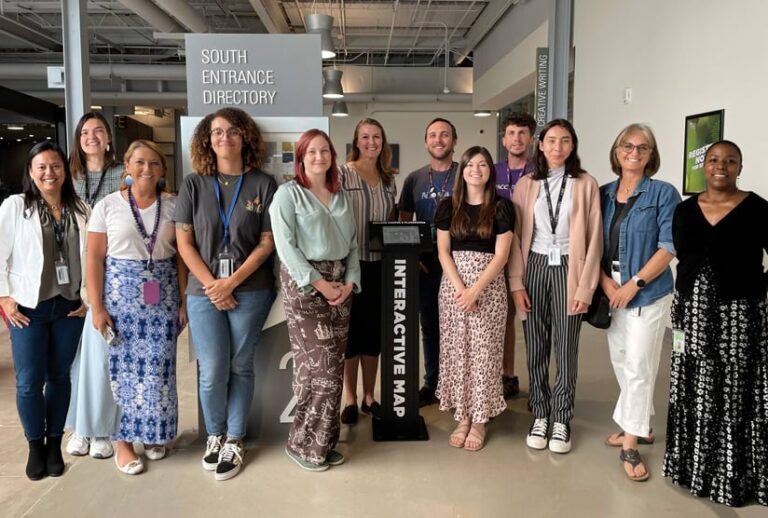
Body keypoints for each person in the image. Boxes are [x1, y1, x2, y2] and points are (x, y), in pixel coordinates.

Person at [663, 140, 768, 507]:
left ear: (740, 167)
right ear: (703, 166)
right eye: (713, 159)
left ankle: (734, 477)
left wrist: (758, 290)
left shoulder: (758, 209)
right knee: (693, 386)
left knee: (736, 390)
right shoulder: (684, 210)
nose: (721, 166)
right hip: (690, 313)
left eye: (730, 160)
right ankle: (694, 470)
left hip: (740, 315)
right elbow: (683, 256)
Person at [175, 107, 277, 481]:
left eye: (233, 131)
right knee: (212, 369)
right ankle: (214, 435)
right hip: (203, 292)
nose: (224, 137)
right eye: (217, 132)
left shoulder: (263, 184)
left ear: (245, 137)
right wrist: (213, 286)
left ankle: (235, 439)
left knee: (239, 365)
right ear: (208, 139)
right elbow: (184, 243)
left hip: (250, 289)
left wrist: (230, 283)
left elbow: (267, 243)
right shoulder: (193, 184)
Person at [85, 140, 187, 475]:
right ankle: (124, 443)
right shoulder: (107, 206)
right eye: (140, 162)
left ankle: (153, 434)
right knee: (122, 373)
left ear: (163, 169)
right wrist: (97, 307)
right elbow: (94, 258)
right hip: (120, 299)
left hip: (163, 296)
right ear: (127, 166)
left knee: (159, 370)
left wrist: (184, 300)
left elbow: (182, 257)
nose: (147, 169)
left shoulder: (174, 205)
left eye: (154, 163)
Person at [508, 119, 602, 454]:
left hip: (569, 267)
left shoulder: (586, 183)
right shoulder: (527, 184)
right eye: (551, 140)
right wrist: (516, 283)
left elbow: (595, 239)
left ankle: (561, 417)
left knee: (565, 346)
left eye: (564, 141)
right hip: (533, 265)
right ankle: (540, 412)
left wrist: (585, 288)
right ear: (541, 145)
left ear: (572, 145)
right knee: (535, 345)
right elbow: (515, 237)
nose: (557, 147)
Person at [270, 129, 360, 472]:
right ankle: (301, 444)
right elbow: (286, 247)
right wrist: (321, 284)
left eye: (325, 151)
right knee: (320, 370)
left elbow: (353, 245)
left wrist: (350, 282)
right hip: (306, 286)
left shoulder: (340, 196)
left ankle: (323, 442)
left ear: (332, 157)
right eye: (312, 152)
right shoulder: (288, 194)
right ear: (301, 158)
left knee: (333, 368)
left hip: (341, 286)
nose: (319, 157)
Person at [0, 142, 89, 480]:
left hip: (69, 307)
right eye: (42, 167)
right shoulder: (16, 206)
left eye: (55, 166)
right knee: (29, 382)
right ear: (31, 172)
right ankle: (35, 445)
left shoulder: (80, 208)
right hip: (28, 308)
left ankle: (54, 444)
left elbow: (92, 256)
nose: (49, 172)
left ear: (65, 171)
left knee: (60, 376)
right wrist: (4, 297)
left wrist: (89, 298)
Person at [599, 124, 681, 481]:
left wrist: (634, 284)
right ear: (617, 151)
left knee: (638, 365)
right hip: (611, 290)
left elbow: (669, 245)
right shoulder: (603, 193)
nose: (634, 152)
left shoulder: (663, 193)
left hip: (647, 291)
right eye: (627, 146)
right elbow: (591, 245)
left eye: (642, 147)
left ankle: (630, 444)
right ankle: (641, 425)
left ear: (651, 155)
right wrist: (604, 282)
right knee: (621, 360)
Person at [435, 146, 514, 451]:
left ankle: (480, 419)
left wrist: (475, 290)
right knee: (458, 352)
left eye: (482, 164)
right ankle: (463, 416)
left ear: (490, 171)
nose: (476, 170)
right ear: (462, 170)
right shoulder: (448, 206)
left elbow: (502, 255)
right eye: (470, 164)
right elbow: (443, 251)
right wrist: (461, 289)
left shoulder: (502, 207)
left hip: (488, 289)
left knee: (484, 353)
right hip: (453, 288)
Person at [66, 111, 125, 459]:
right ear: (78, 139)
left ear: (108, 138)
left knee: (100, 358)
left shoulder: (123, 174)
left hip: (107, 274)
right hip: (69, 274)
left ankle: (101, 427)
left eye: (98, 130)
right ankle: (80, 426)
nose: (91, 137)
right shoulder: (67, 176)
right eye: (85, 132)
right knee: (72, 362)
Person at [339, 118, 397, 425]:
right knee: (351, 334)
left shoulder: (389, 179)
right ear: (356, 141)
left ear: (382, 141)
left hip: (379, 265)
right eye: (365, 137)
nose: (371, 142)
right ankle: (350, 398)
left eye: (376, 136)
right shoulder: (343, 173)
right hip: (350, 264)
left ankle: (369, 396)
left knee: (373, 333)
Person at [399, 118, 458, 406]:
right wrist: (411, 256)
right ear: (426, 142)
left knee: (459, 326)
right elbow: (403, 223)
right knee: (430, 326)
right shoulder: (414, 179)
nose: (438, 140)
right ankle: (432, 383)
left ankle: (457, 384)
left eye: (444, 135)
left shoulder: (466, 174)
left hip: (460, 264)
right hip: (425, 265)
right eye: (433, 135)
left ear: (454, 141)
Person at [496, 112, 537, 399]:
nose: (517, 138)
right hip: (499, 256)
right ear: (504, 139)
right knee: (504, 319)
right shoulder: (492, 171)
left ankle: (538, 384)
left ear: (531, 139)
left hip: (533, 254)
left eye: (522, 133)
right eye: (511, 133)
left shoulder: (540, 172)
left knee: (533, 321)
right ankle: (507, 375)